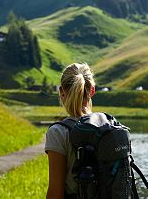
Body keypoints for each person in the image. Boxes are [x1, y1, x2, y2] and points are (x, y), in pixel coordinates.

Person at [45, 63, 96, 199]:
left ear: (62, 92)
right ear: (92, 91)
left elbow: (56, 193)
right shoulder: (110, 126)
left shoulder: (58, 132)